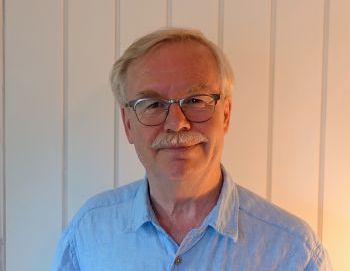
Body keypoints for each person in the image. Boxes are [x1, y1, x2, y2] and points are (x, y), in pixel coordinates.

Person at [52, 28, 332, 270]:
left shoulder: (293, 251)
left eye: (196, 100)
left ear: (226, 114)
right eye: (152, 104)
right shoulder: (90, 231)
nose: (177, 124)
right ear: (128, 125)